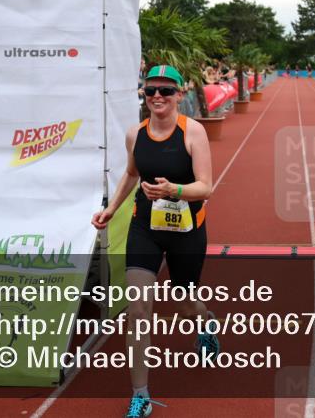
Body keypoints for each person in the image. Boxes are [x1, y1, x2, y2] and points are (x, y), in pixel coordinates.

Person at [91, 65, 217, 417]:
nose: (157, 97)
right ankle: (141, 394)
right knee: (138, 310)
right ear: (143, 96)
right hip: (144, 227)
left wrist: (173, 190)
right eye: (150, 91)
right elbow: (131, 173)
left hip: (187, 230)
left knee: (185, 304)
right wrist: (112, 209)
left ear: (179, 94)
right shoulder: (135, 134)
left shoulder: (194, 133)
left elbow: (206, 186)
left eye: (165, 90)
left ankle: (206, 323)